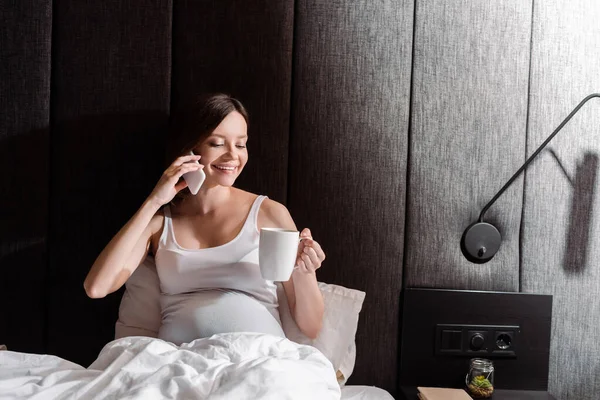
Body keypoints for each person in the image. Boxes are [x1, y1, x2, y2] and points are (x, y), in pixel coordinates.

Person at [84, 93, 325, 344]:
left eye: (241, 144)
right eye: (217, 143)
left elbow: (311, 327)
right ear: (190, 149)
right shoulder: (160, 223)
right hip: (179, 364)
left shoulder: (270, 213)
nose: (233, 156)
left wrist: (304, 271)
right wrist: (154, 200)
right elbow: (97, 287)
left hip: (257, 361)